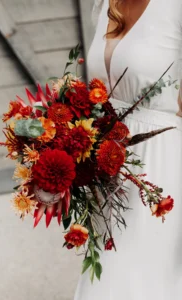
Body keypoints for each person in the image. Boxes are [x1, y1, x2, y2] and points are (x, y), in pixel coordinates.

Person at [74, 0, 182, 299]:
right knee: (106, 271)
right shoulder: (106, 4)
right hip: (108, 165)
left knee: (141, 273)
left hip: (161, 163)